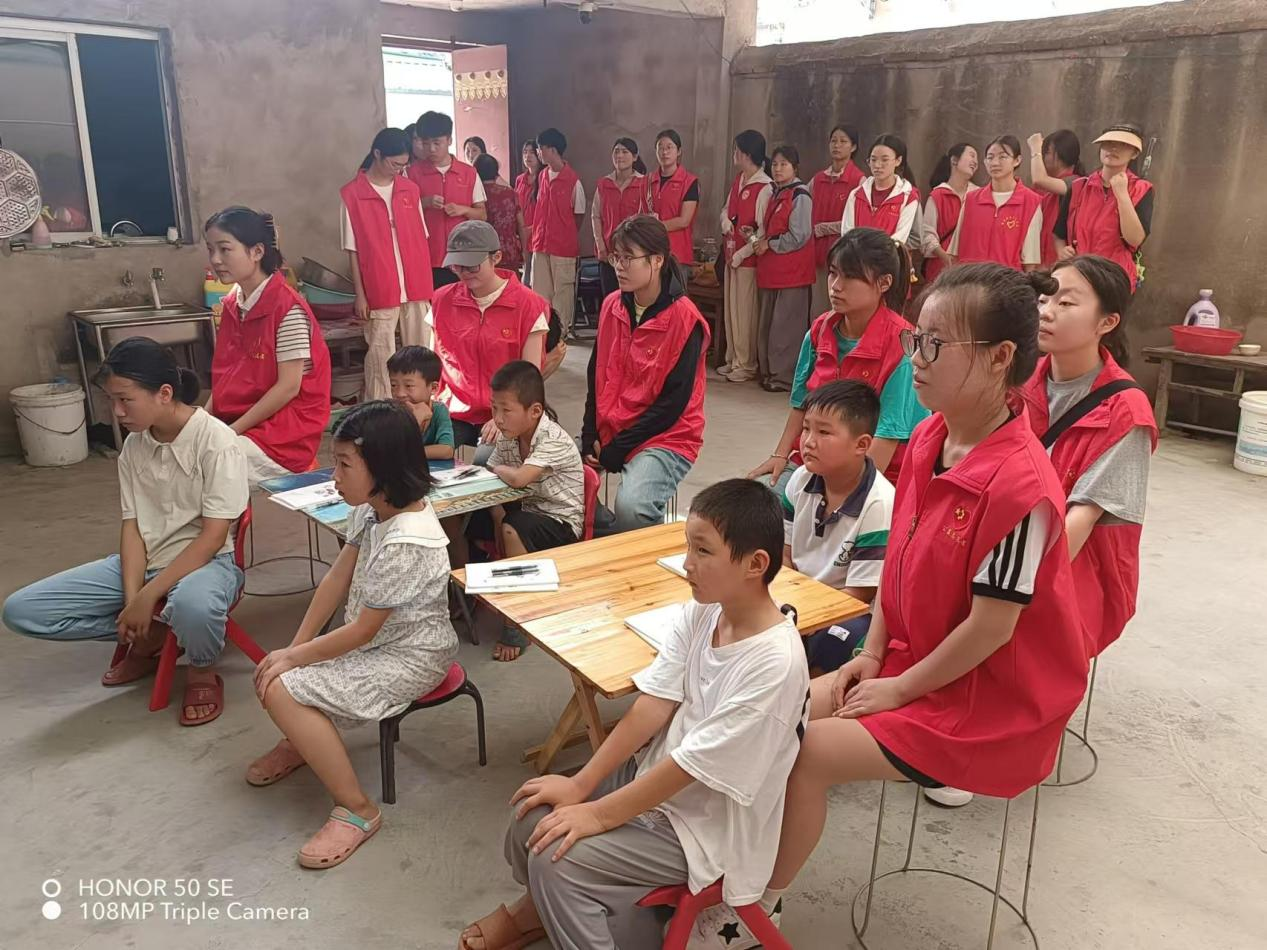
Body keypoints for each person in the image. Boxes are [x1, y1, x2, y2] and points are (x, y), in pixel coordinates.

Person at [702, 264, 1089, 943]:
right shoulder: (931, 438)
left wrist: (899, 686)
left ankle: (755, 909)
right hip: (913, 658)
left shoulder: (1021, 488)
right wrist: (872, 652)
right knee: (770, 709)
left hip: (988, 700)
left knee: (808, 752)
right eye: (916, 340)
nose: (916, 359)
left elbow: (992, 631)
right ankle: (719, 866)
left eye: (935, 344)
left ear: (999, 358)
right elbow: (898, 565)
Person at [458, 479, 810, 950]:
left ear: (755, 564)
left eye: (703, 551)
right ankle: (539, 912)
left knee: (557, 857)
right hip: (661, 780)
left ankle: (546, 912)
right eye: (688, 546)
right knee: (532, 812)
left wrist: (598, 815)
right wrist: (582, 785)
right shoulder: (705, 612)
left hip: (707, 828)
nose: (687, 563)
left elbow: (693, 768)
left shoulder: (774, 663)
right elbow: (653, 703)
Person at [245, 401, 457, 869]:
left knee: (281, 686)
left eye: (344, 464)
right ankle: (305, 740)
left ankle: (357, 809)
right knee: (278, 672)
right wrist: (295, 647)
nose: (334, 476)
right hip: (374, 641)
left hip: (412, 656)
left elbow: (363, 630)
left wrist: (295, 660)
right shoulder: (372, 510)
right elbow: (336, 579)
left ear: (383, 468)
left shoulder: (408, 539)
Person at [2, 338, 248, 727]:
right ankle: (156, 634)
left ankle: (201, 668)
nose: (116, 412)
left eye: (125, 400)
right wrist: (135, 599)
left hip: (206, 565)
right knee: (22, 612)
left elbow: (212, 539)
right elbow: (132, 527)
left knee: (194, 606)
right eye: (111, 400)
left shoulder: (217, 442)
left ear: (164, 393)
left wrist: (147, 596)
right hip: (144, 562)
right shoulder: (134, 446)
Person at [1018, 255, 1156, 658]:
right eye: (1044, 300)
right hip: (1008, 554)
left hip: (1065, 581)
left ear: (1106, 323)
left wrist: (1010, 589)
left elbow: (1081, 519)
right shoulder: (1019, 380)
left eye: (1066, 303)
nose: (1047, 312)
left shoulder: (1125, 411)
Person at [748, 227, 926, 496]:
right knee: (754, 500)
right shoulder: (820, 330)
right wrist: (780, 456)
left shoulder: (902, 346)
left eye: (851, 276)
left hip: (878, 478)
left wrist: (837, 498)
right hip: (814, 463)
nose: (835, 286)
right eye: (833, 273)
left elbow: (887, 438)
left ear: (884, 283)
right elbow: (801, 404)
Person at [582, 216, 709, 534]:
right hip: (611, 428)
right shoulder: (612, 306)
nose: (619, 267)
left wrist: (619, 448)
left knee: (633, 507)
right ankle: (612, 539)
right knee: (558, 487)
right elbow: (596, 376)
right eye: (616, 257)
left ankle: (637, 548)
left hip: (665, 436)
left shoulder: (685, 319)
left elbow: (673, 405)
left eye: (628, 258)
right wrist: (588, 434)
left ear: (657, 260)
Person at [465, 361, 585, 661]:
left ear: (535, 411)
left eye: (506, 410)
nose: (498, 419)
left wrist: (500, 477)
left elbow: (515, 477)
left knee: (512, 527)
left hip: (559, 521)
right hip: (525, 506)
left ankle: (517, 625)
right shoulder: (510, 435)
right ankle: (467, 595)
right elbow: (493, 471)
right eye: (494, 409)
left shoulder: (552, 438)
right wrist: (496, 512)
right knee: (465, 518)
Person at [204, 207, 331, 484]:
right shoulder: (233, 303)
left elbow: (288, 388)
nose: (215, 259)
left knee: (207, 465)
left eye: (225, 249)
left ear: (257, 252)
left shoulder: (287, 309)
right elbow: (225, 378)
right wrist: (203, 421)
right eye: (210, 249)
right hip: (243, 419)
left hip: (284, 432)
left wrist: (230, 432)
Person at [783, 381, 894, 675]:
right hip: (796, 592)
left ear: (861, 445)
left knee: (837, 638)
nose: (808, 441)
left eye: (824, 432)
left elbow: (860, 593)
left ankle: (812, 693)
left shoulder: (879, 503)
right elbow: (785, 555)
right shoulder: (800, 479)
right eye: (806, 428)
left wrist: (805, 617)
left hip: (844, 606)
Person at [428, 220, 549, 453]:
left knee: (488, 462)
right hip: (453, 411)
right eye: (457, 266)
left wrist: (502, 415)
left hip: (505, 412)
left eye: (472, 266)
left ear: (496, 257)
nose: (464, 273)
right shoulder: (441, 300)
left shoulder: (528, 305)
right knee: (418, 457)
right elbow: (432, 364)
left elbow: (529, 377)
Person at [341, 128, 433, 401]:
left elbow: (421, 238)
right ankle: (380, 408)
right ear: (377, 154)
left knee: (421, 351)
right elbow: (353, 250)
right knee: (381, 355)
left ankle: (421, 407)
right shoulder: (352, 194)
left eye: (403, 165)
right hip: (379, 286)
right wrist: (360, 294)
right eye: (394, 164)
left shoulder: (410, 189)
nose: (399, 170)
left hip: (416, 283)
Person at [1055, 124, 1155, 291]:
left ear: (1135, 153)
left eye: (1123, 144)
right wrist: (1062, 252)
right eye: (1108, 143)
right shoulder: (1079, 187)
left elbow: (1135, 239)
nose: (1113, 148)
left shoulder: (1141, 189)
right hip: (1078, 275)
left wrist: (1122, 195)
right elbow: (1059, 234)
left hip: (1115, 280)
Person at [754, 145, 815, 393]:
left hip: (792, 274)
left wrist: (769, 243)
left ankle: (783, 377)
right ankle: (768, 372)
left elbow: (799, 235)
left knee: (786, 327)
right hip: (772, 271)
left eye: (784, 164)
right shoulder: (776, 193)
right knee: (768, 325)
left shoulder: (800, 195)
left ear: (795, 167)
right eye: (775, 164)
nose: (778, 169)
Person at [718, 130, 773, 385]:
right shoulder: (739, 180)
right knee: (732, 311)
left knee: (745, 313)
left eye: (737, 150)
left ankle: (746, 363)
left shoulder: (764, 187)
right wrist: (725, 222)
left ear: (747, 154)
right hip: (731, 254)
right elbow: (726, 209)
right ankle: (733, 358)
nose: (734, 154)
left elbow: (763, 231)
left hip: (747, 260)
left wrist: (742, 254)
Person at [409, 111, 487, 290]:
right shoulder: (412, 173)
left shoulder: (469, 173)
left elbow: (482, 215)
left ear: (449, 140)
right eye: (426, 143)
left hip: (462, 257)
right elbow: (402, 214)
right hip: (426, 256)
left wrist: (463, 210)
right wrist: (424, 203)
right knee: (430, 304)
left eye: (437, 143)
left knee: (462, 302)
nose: (431, 149)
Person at [949, 134, 1043, 272]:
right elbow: (954, 254)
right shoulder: (970, 200)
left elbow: (1030, 262)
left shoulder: (1031, 202)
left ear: (1017, 160)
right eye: (990, 157)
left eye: (1002, 157)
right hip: (970, 280)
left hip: (1007, 282)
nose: (994, 163)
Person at [529, 127, 585, 336]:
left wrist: (564, 233)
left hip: (563, 247)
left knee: (562, 291)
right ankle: (542, 332)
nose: (538, 152)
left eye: (540, 148)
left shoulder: (573, 181)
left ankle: (560, 334)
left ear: (552, 149)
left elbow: (578, 215)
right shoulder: (542, 176)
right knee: (539, 290)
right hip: (540, 243)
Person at [809, 125, 865, 315]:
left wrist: (823, 228)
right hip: (817, 255)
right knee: (817, 309)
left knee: (840, 309)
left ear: (853, 147)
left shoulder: (859, 181)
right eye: (833, 141)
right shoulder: (818, 179)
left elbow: (857, 222)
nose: (837, 145)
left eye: (843, 141)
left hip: (844, 255)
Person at [592, 137, 649, 298]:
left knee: (632, 298)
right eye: (616, 152)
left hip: (634, 254)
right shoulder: (604, 184)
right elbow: (595, 216)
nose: (620, 156)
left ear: (635, 157)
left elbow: (646, 219)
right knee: (610, 298)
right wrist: (601, 246)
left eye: (625, 152)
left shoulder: (644, 183)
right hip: (609, 254)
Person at [840, 134, 921, 246]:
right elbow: (847, 233)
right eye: (873, 160)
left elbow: (899, 239)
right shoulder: (856, 194)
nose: (877, 165)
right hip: (857, 255)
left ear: (898, 161)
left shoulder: (908, 197)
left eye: (884, 160)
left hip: (889, 255)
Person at [921, 143, 978, 284]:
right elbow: (927, 234)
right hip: (940, 270)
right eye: (971, 155)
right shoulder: (938, 195)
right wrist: (946, 258)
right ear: (954, 160)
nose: (975, 162)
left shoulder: (979, 195)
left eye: (977, 158)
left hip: (971, 269)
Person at [387, 345, 455, 461]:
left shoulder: (439, 410)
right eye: (394, 385)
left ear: (433, 388)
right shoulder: (390, 411)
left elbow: (447, 450)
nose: (399, 394)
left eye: (409, 386)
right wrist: (417, 421)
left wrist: (409, 453)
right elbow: (393, 450)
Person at [1026, 129, 1083, 265]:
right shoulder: (1046, 190)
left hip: (1061, 261)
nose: (1043, 158)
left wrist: (1035, 149)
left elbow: (1039, 180)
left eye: (1046, 153)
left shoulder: (1075, 182)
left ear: (1061, 154)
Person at [646, 128, 700, 265]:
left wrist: (656, 225)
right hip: (651, 251)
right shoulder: (648, 180)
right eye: (660, 148)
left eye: (669, 147)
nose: (664, 152)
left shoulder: (689, 181)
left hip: (678, 254)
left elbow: (684, 220)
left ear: (679, 151)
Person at [475, 153, 525, 274]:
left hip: (483, 253)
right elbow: (521, 224)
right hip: (509, 250)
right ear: (496, 172)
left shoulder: (476, 196)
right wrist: (524, 251)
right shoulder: (510, 193)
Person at [516, 139, 542, 282]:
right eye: (525, 152)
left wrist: (532, 228)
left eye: (532, 152)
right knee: (525, 276)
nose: (528, 156)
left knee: (536, 278)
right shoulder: (520, 179)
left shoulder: (544, 178)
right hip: (522, 233)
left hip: (538, 233)